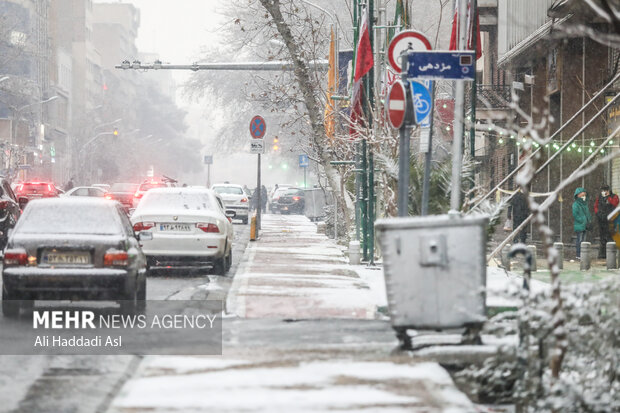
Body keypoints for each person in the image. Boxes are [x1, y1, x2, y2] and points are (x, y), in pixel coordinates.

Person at [594, 184, 619, 258]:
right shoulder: (599, 197)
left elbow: (615, 203)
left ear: (608, 191)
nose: (603, 192)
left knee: (610, 236)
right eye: (602, 191)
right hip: (601, 219)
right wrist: (598, 213)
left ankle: (610, 254)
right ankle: (602, 254)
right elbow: (596, 206)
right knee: (602, 237)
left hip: (611, 219)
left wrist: (608, 197)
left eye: (605, 190)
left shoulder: (614, 196)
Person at [572, 187, 592, 260]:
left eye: (584, 194)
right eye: (582, 194)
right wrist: (583, 220)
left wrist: (589, 220)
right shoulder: (576, 204)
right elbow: (575, 215)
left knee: (583, 240)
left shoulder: (585, 204)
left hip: (584, 225)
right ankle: (578, 254)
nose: (584, 196)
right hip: (580, 225)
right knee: (580, 240)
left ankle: (582, 254)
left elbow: (588, 213)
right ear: (578, 195)